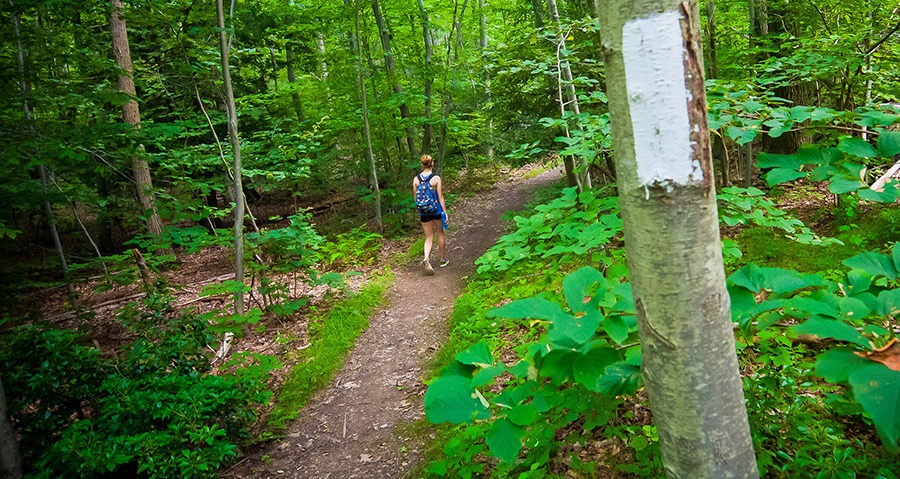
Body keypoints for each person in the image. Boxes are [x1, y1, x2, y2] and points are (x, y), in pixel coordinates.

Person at [414, 154, 449, 275]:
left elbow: (415, 198)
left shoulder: (416, 179)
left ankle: (426, 258)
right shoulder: (436, 178)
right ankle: (443, 259)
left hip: (423, 212)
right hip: (436, 210)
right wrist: (444, 211)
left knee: (428, 237)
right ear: (432, 163)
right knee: (440, 233)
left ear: (422, 164)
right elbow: (440, 197)